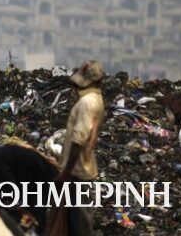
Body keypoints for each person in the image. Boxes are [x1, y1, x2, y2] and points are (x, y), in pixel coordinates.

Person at [53, 60, 105, 236]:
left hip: (77, 172)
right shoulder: (96, 99)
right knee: (76, 218)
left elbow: (78, 140)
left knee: (79, 222)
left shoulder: (86, 104)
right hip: (84, 168)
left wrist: (65, 173)